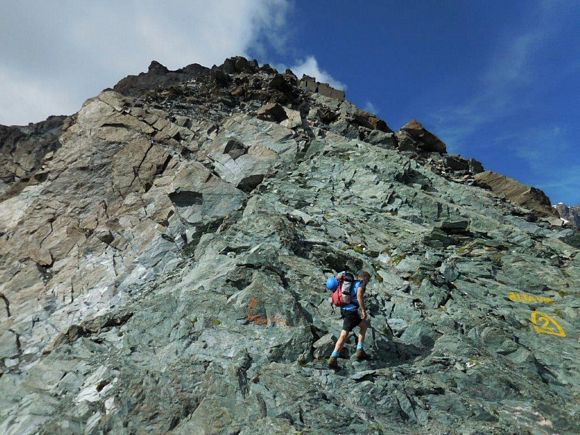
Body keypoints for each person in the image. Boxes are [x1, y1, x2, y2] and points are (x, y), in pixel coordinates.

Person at [328, 270, 371, 369]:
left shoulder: (350, 283)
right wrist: (363, 310)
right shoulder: (360, 284)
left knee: (363, 325)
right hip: (351, 312)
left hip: (344, 310)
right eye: (367, 280)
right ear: (364, 278)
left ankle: (359, 349)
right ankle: (334, 356)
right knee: (344, 334)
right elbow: (359, 296)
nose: (367, 282)